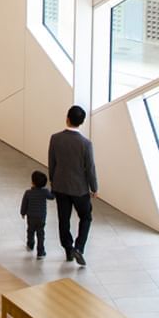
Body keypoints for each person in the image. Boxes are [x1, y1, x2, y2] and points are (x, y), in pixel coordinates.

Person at [48, 105, 97, 267]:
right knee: (86, 217)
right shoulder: (86, 144)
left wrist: (53, 181)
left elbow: (52, 162)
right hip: (79, 189)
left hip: (60, 185)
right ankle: (79, 247)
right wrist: (94, 187)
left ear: (67, 118)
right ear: (81, 122)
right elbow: (89, 168)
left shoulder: (55, 138)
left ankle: (68, 250)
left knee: (64, 219)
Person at [20, 170, 54, 258]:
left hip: (31, 216)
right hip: (41, 217)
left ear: (32, 182)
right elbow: (52, 197)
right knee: (40, 233)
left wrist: (23, 213)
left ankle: (30, 244)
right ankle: (40, 251)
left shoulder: (28, 193)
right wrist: (54, 188)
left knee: (30, 231)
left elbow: (24, 204)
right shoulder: (45, 192)